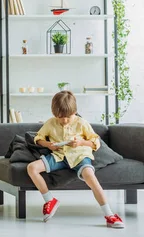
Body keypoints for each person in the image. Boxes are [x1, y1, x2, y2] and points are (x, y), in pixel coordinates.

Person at [26, 91, 125, 228]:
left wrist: (81, 143)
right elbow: (38, 138)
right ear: (55, 114)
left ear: (75, 111)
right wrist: (48, 144)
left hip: (80, 156)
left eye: (68, 117)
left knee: (90, 176)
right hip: (59, 156)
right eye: (60, 117)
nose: (64, 120)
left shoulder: (82, 123)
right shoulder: (50, 123)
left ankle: (109, 215)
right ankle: (50, 200)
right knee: (32, 168)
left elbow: (95, 143)